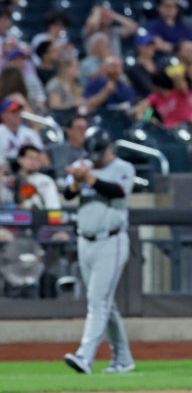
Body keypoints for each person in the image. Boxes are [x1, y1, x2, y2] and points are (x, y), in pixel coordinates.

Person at [62, 126, 136, 374]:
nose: (95, 157)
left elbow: (117, 192)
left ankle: (85, 355)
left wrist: (88, 177)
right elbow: (68, 194)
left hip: (111, 241)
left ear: (109, 147)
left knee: (97, 300)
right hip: (85, 240)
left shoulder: (123, 168)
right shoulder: (82, 165)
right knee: (104, 302)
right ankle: (123, 358)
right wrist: (75, 181)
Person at [13, 144, 61, 209]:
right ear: (20, 159)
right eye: (30, 158)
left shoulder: (45, 181)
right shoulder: (10, 181)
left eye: (37, 159)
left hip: (39, 217)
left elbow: (54, 209)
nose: (34, 162)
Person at [0, 97, 44, 162]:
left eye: (19, 111)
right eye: (13, 112)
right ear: (3, 115)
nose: (17, 115)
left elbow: (41, 155)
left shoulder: (30, 132)